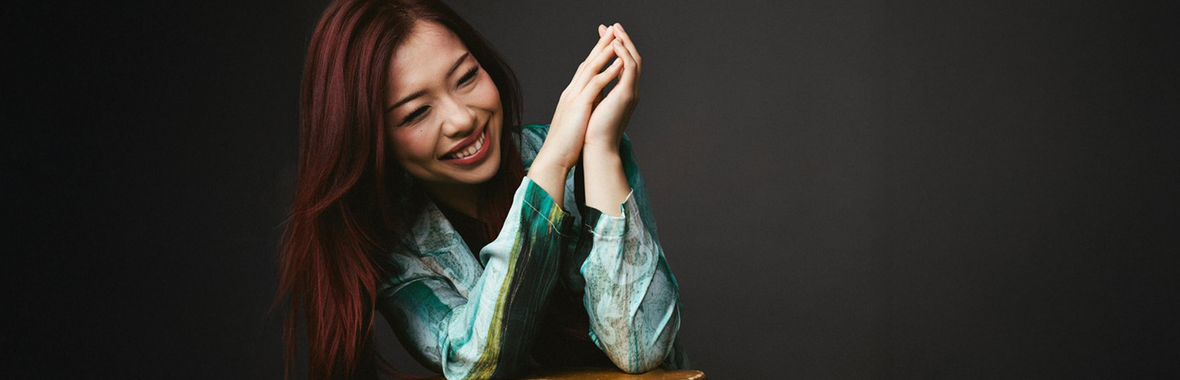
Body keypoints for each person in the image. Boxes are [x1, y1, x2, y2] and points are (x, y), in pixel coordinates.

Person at [277, 0, 688, 379]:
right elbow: (476, 363)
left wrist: (598, 147)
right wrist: (550, 168)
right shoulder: (395, 247)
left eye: (467, 76)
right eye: (417, 112)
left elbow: (642, 346)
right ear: (371, 138)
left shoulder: (596, 151)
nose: (461, 119)